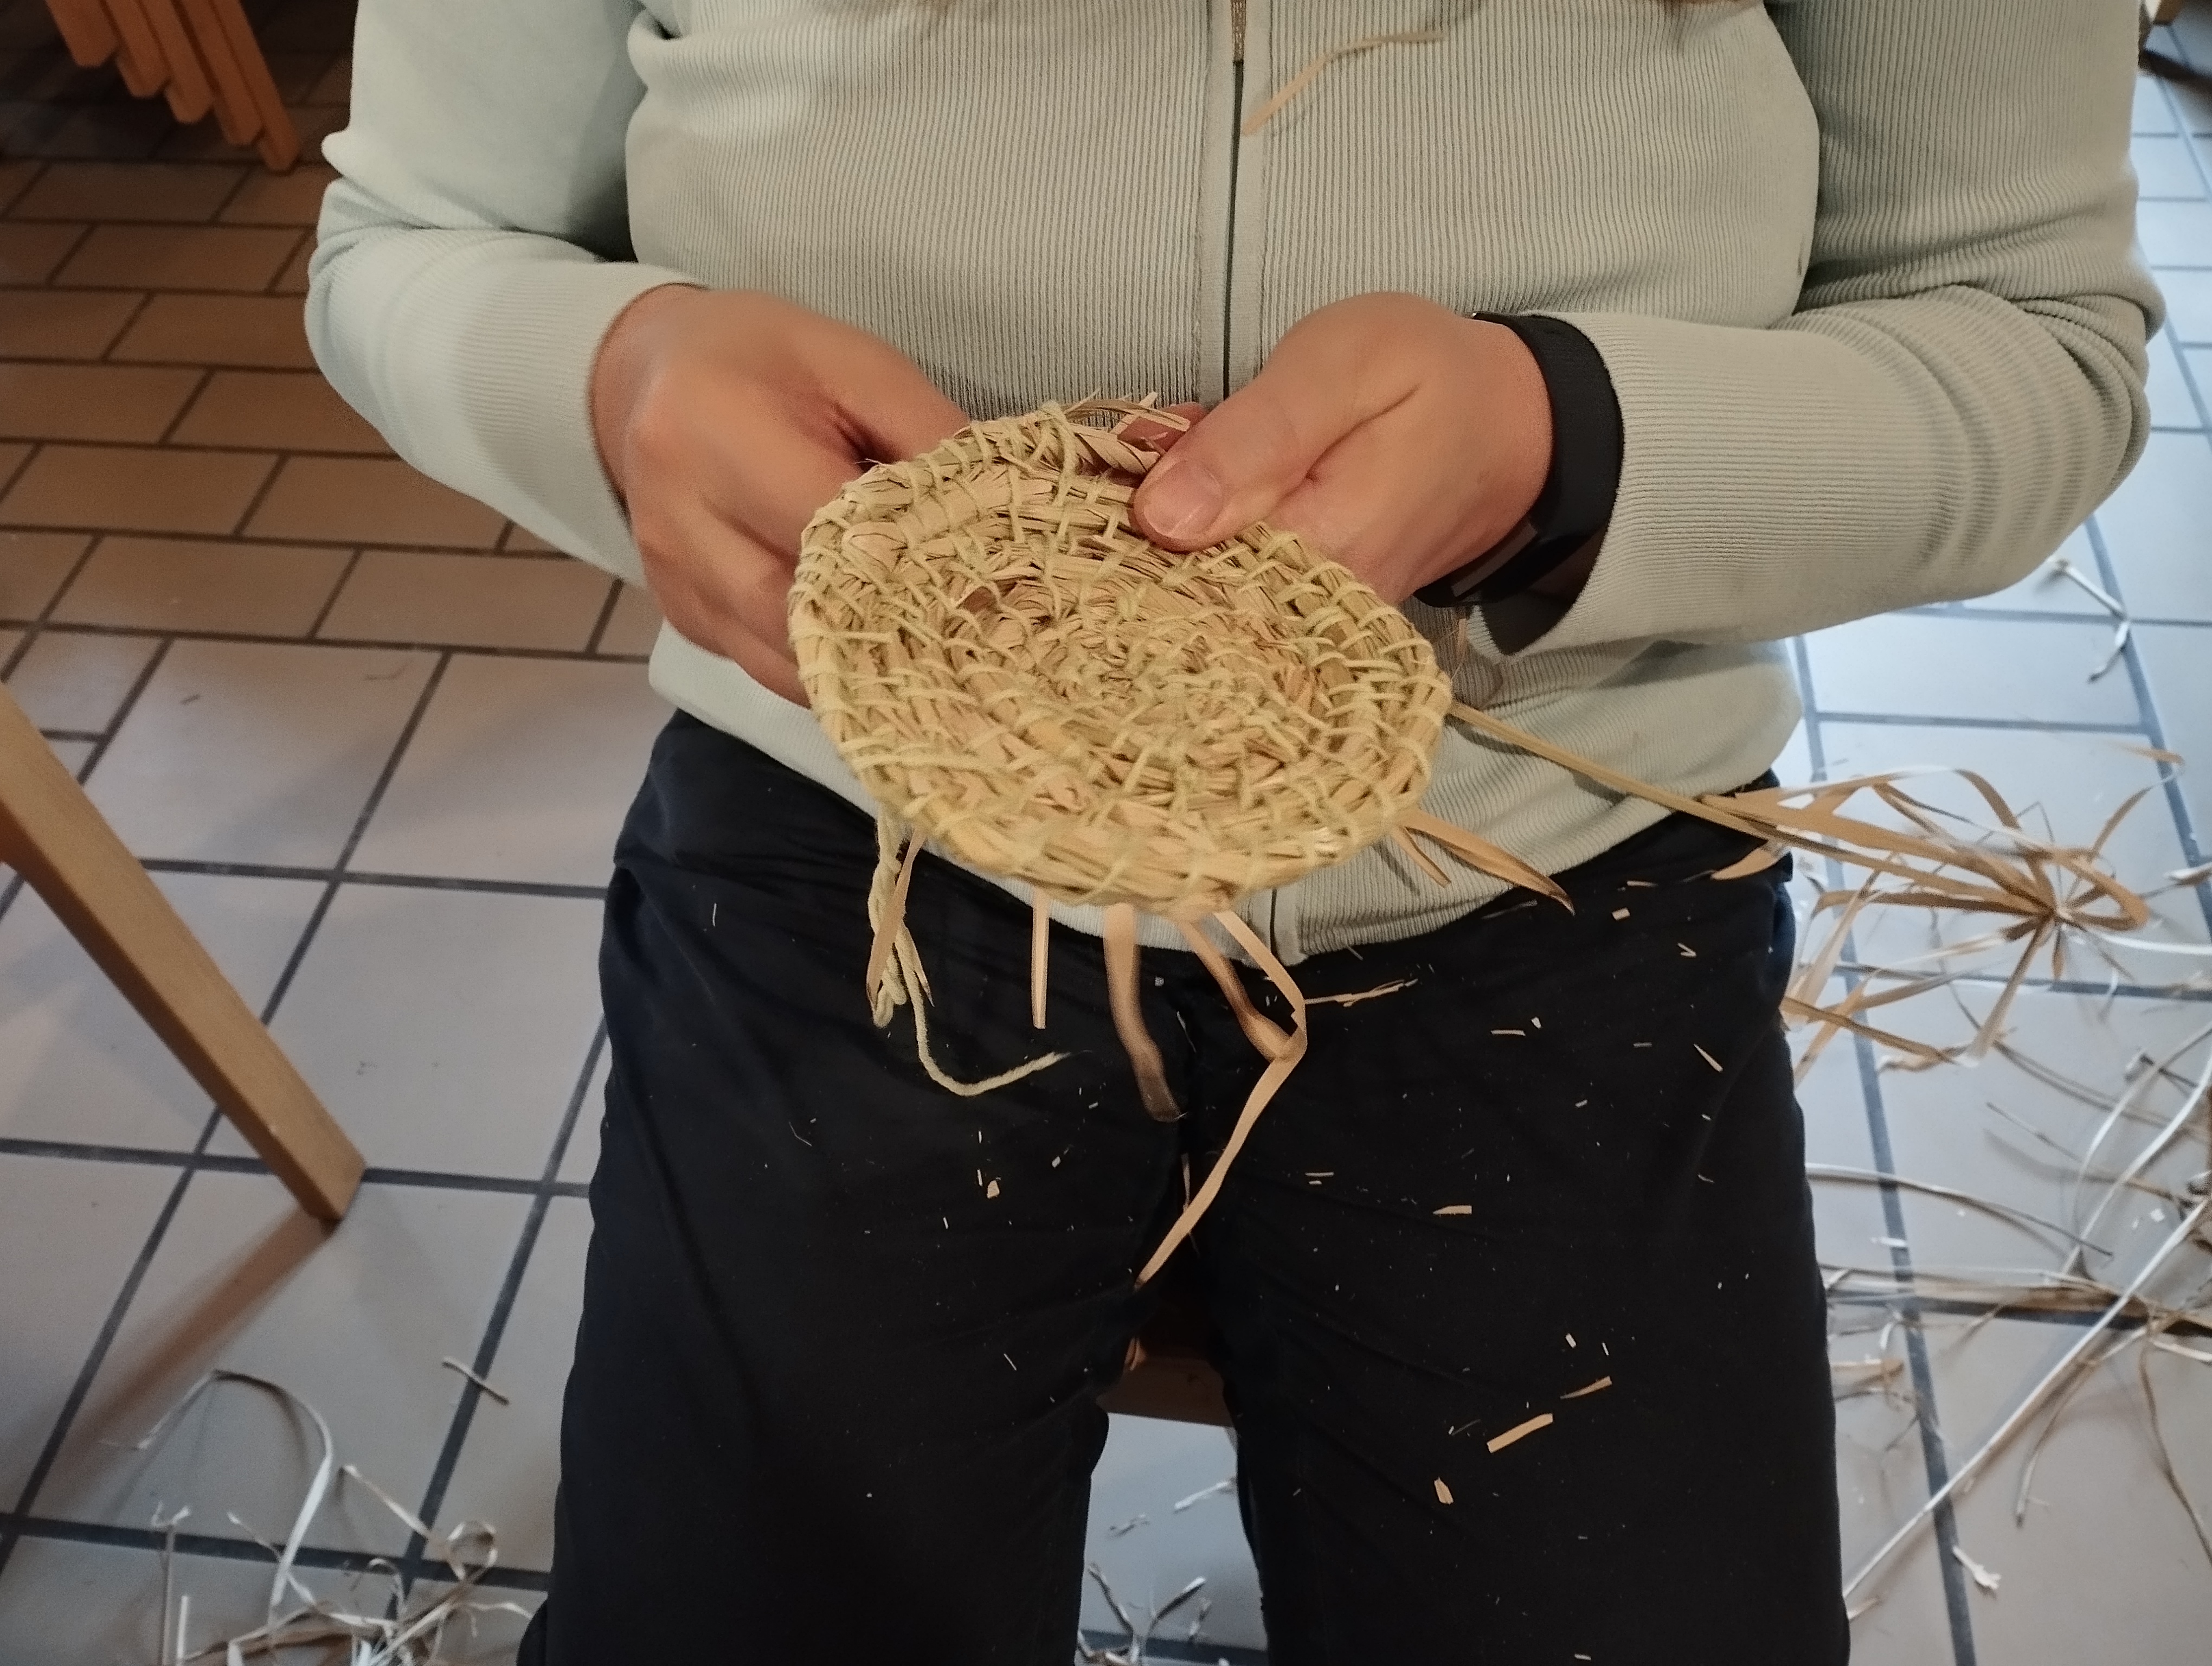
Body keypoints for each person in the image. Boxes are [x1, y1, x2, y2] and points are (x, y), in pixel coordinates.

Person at [308, 2, 2157, 1660]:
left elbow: (2030, 337)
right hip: (858, 830)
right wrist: (613, 371)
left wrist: (1571, 441)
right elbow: (409, 244)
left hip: (1553, 842)